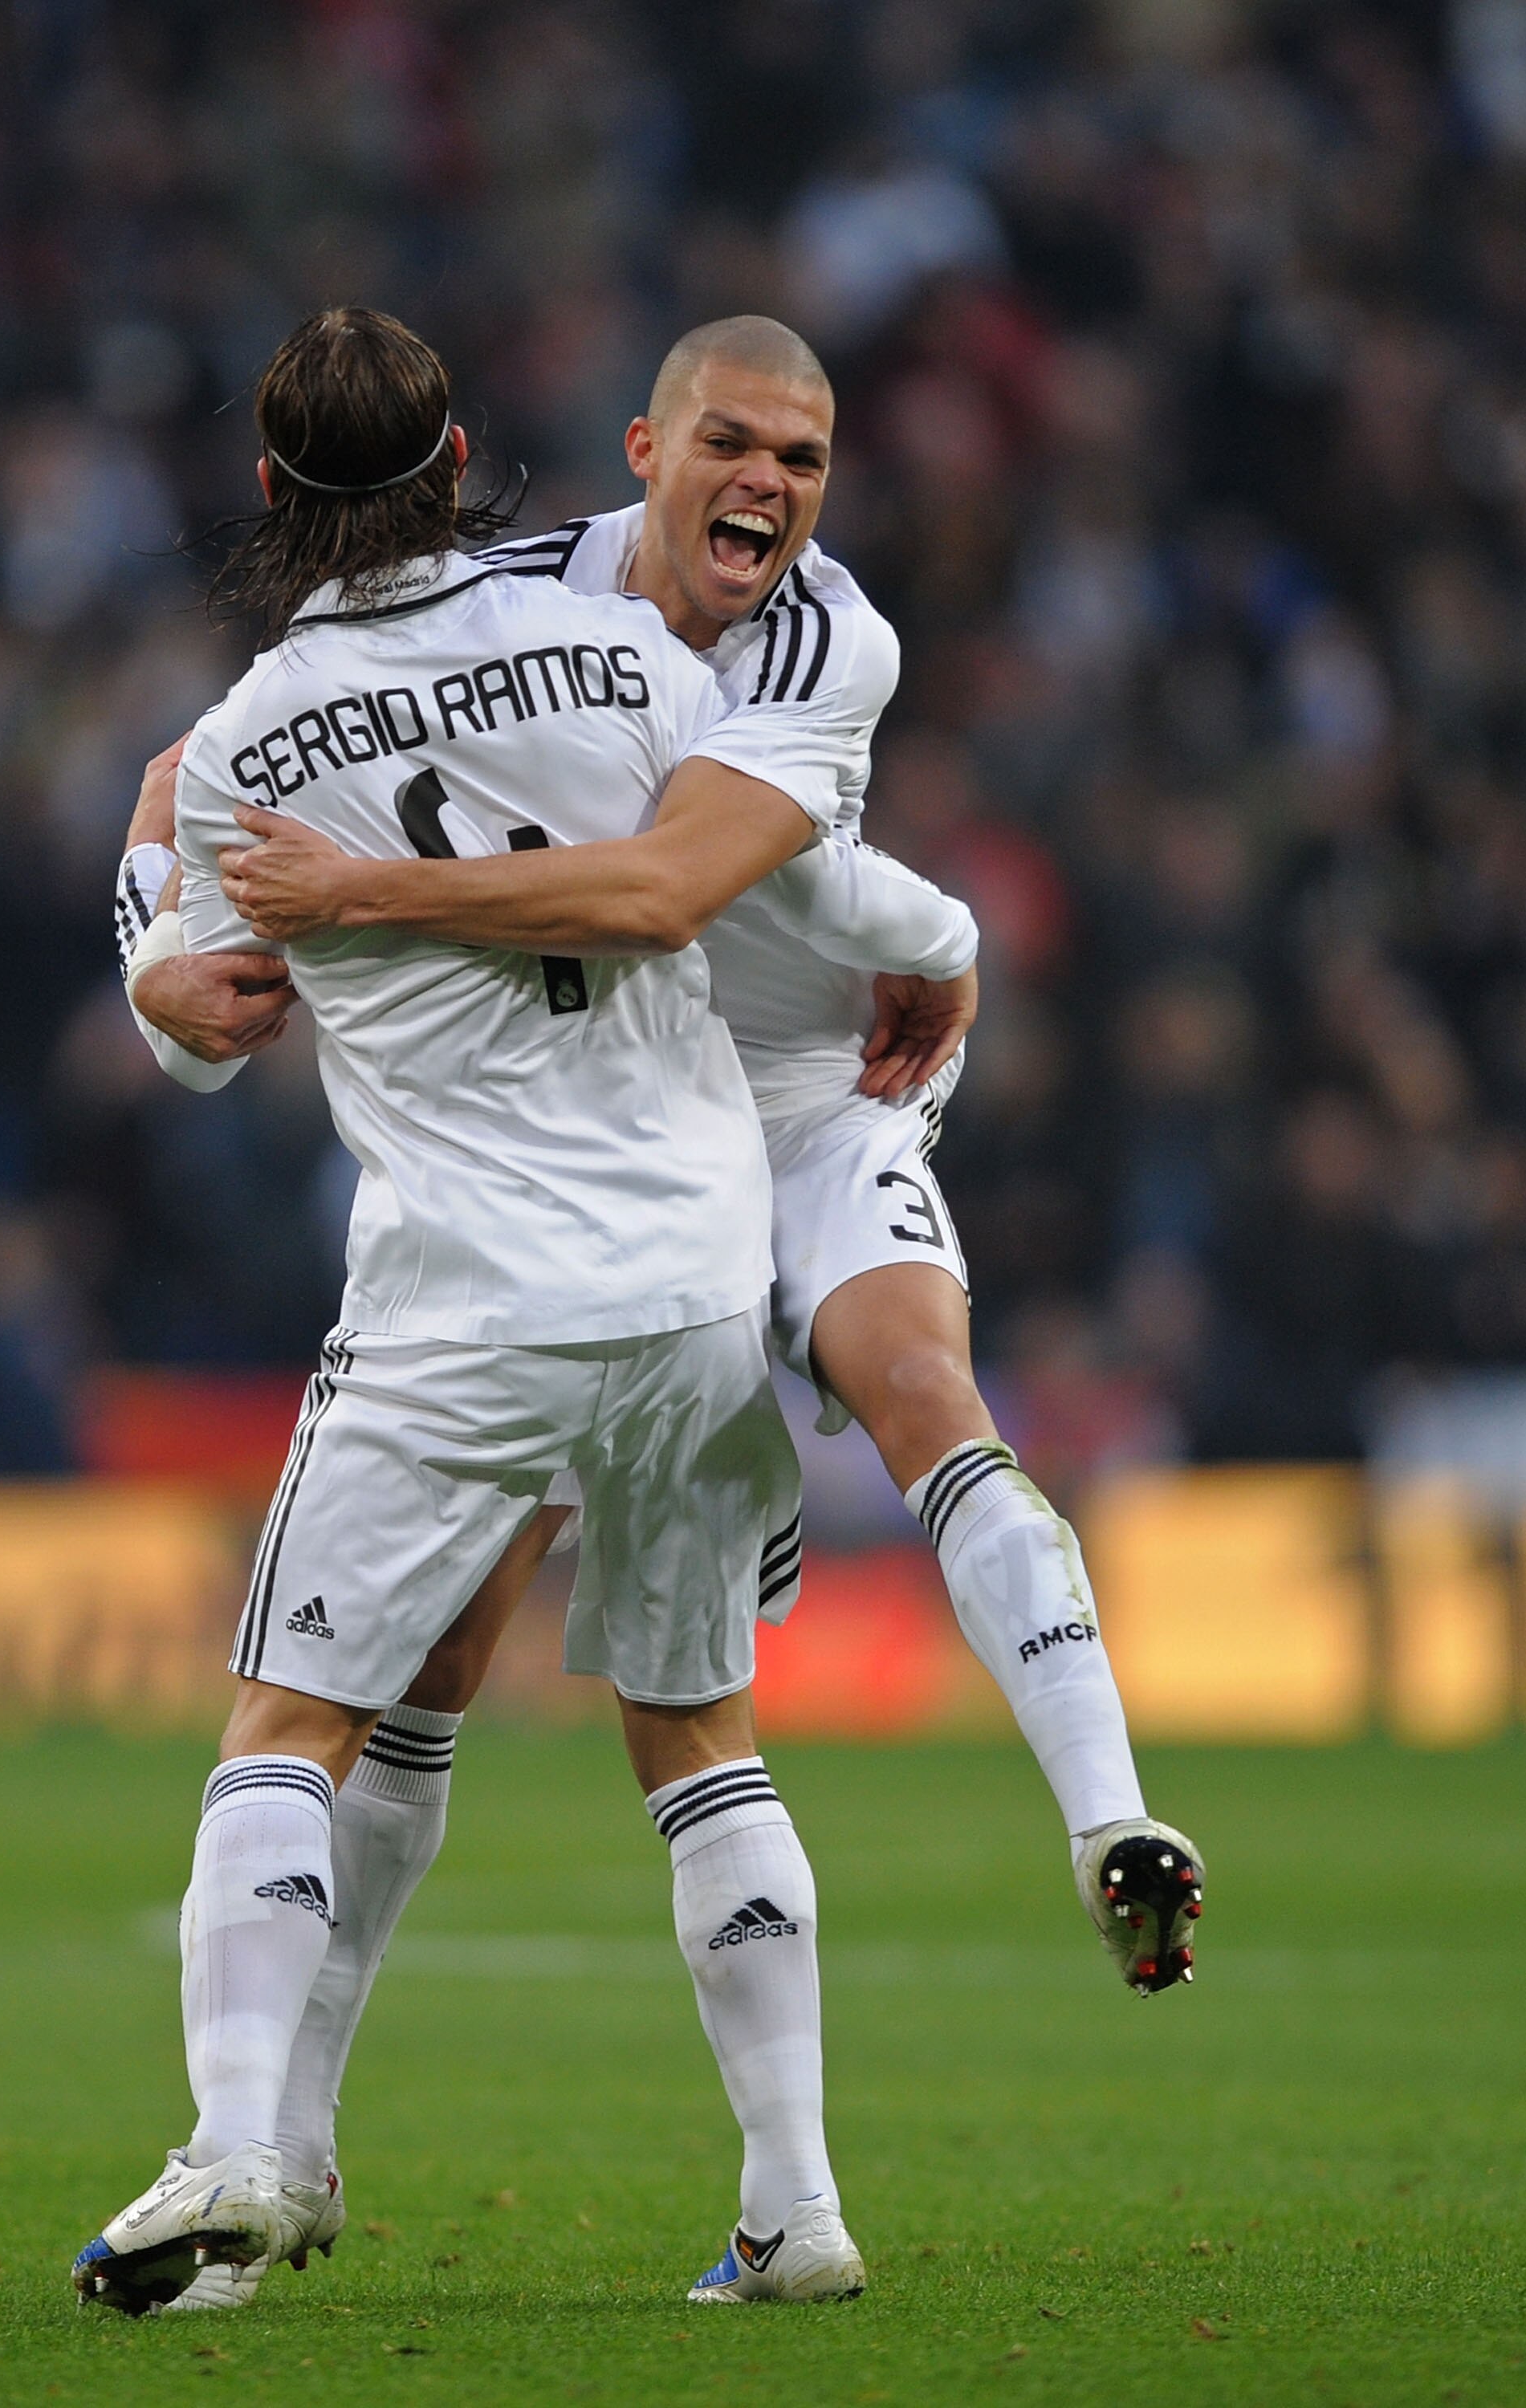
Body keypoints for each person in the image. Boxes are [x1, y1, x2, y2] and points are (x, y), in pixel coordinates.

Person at [123, 315, 1203, 2312]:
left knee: (322, 1710)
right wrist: (942, 939)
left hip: (615, 1203)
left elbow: (646, 890)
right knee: (674, 1723)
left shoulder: (784, 648)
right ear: (596, 455)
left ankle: (249, 2153)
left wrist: (229, 934)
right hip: (689, 1238)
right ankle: (785, 2204)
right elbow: (754, 882)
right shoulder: (615, 650)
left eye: (802, 457)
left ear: (275, 495)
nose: (768, 489)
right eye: (735, 444)